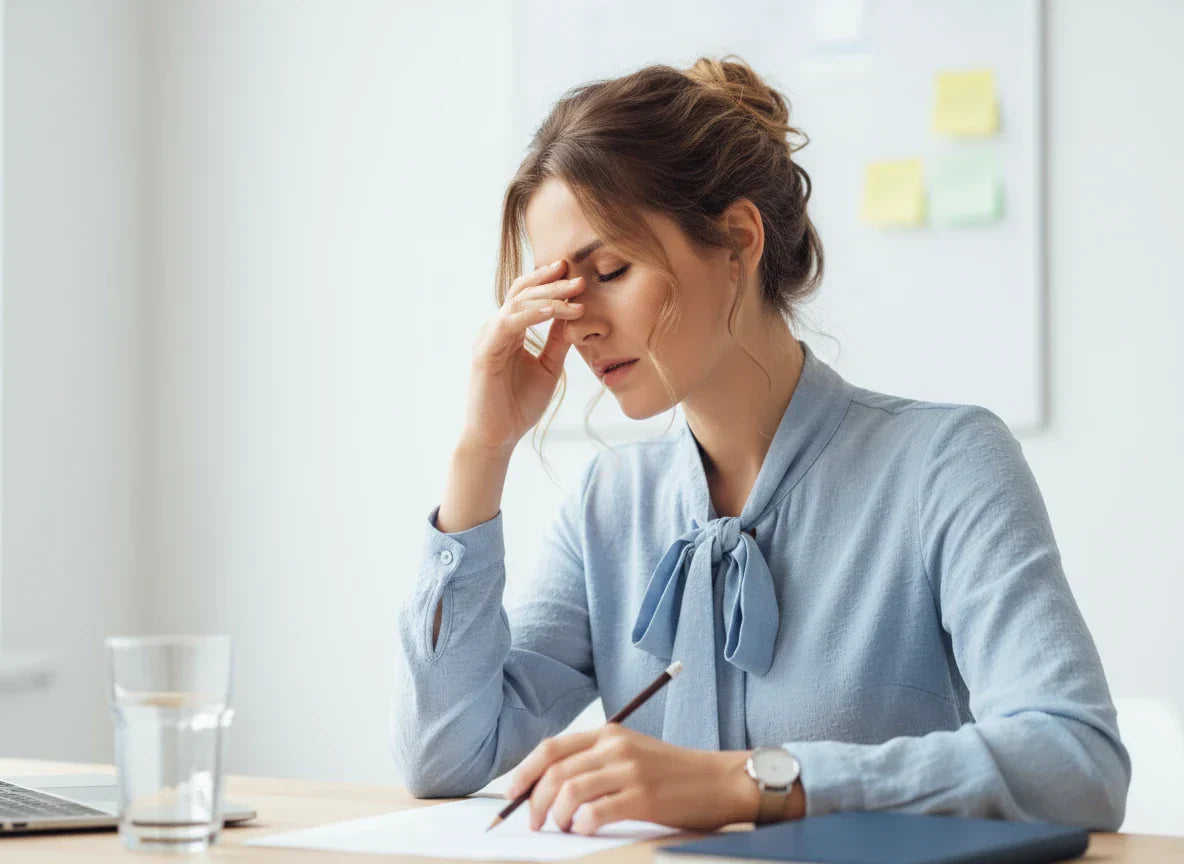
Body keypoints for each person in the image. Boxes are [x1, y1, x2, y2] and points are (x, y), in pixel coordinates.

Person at [391, 56, 1130, 837]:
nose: (580, 326)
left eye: (609, 270)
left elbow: (1075, 761)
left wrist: (750, 783)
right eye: (562, 295)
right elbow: (443, 754)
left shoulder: (945, 466)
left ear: (738, 240)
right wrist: (483, 447)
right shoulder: (612, 504)